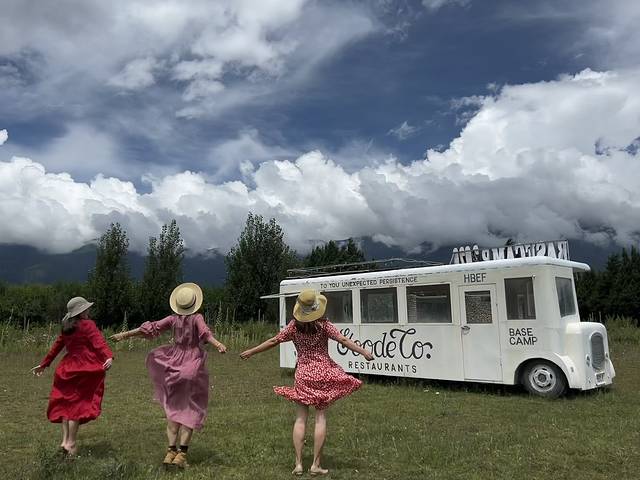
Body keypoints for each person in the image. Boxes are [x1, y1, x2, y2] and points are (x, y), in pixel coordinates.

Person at [240, 289, 374, 476]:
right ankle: (315, 465)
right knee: (320, 419)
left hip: (303, 374)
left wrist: (252, 351)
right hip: (323, 374)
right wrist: (364, 352)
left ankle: (298, 464)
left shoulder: (293, 327)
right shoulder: (324, 325)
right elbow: (343, 339)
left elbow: (273, 341)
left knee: (301, 419)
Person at [110, 282, 226, 469]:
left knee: (173, 409)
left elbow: (150, 328)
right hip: (192, 366)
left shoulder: (172, 319)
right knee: (190, 409)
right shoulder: (197, 317)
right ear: (195, 303)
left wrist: (124, 335)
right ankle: (182, 455)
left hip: (173, 364)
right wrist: (218, 344)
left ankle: (170, 451)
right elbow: (205, 334)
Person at [31, 296, 113, 457]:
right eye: (86, 309)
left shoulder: (67, 327)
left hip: (67, 369)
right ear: (81, 311)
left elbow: (56, 347)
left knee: (66, 405)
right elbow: (99, 342)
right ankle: (71, 443)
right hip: (85, 368)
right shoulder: (88, 324)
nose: (89, 311)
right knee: (77, 406)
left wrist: (44, 364)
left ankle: (64, 441)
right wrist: (108, 356)